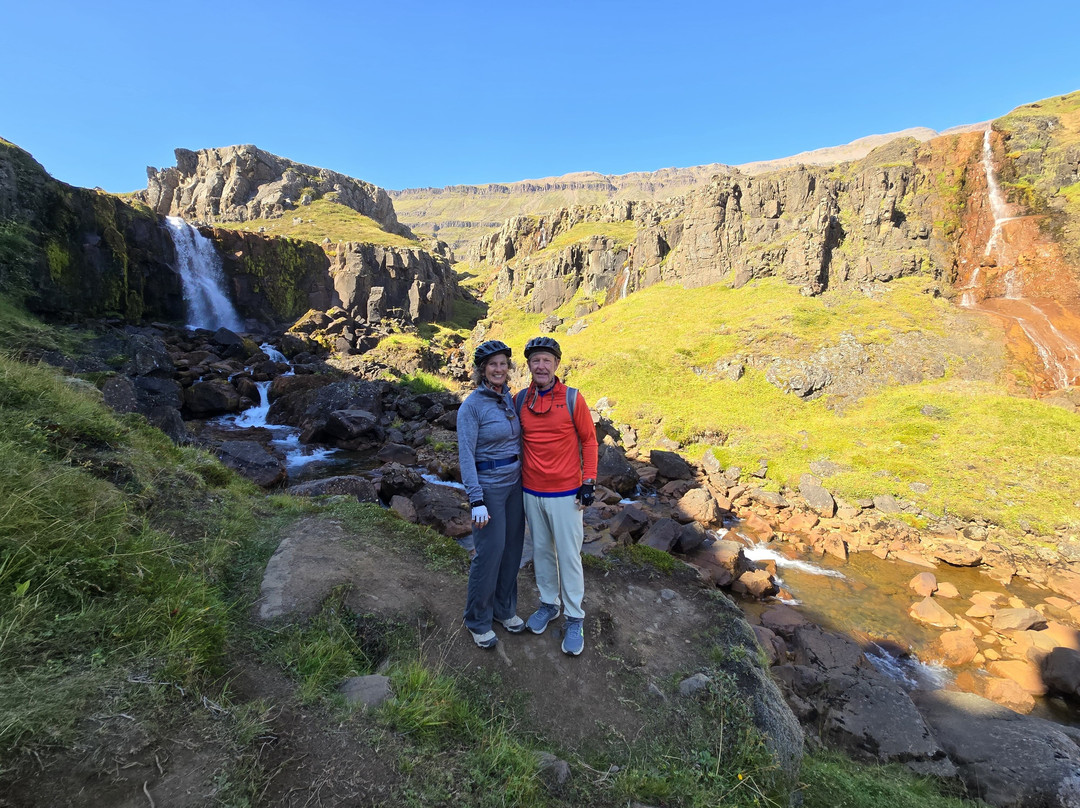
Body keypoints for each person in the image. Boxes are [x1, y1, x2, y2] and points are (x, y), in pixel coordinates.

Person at [516, 336, 598, 656]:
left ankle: (575, 616)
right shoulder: (520, 399)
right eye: (535, 360)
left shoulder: (574, 399)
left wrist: (588, 482)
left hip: (566, 493)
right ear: (529, 366)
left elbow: (589, 441)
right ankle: (549, 604)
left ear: (556, 365)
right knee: (542, 553)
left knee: (569, 556)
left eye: (546, 360)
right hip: (530, 491)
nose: (541, 365)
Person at [457, 340, 527, 649]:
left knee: (512, 551)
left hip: (515, 486)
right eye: (492, 364)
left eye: (503, 364)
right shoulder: (471, 406)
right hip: (489, 488)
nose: (499, 369)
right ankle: (477, 619)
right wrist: (476, 499)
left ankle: (503, 609)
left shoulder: (508, 400)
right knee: (489, 554)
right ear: (482, 370)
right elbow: (465, 455)